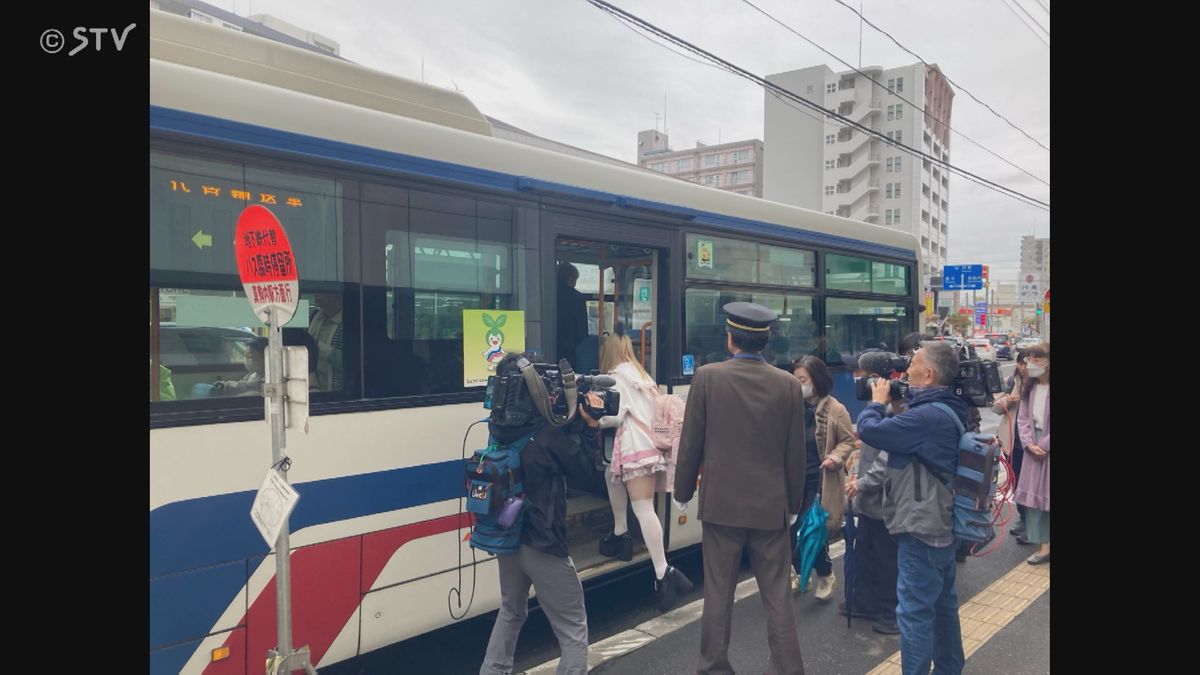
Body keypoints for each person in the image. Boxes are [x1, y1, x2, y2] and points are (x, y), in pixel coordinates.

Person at [674, 302, 808, 675]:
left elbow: (691, 442)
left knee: (718, 592)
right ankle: (787, 668)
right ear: (766, 341)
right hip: (770, 505)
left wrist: (682, 491)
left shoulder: (707, 377)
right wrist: (793, 502)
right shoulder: (789, 385)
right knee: (777, 593)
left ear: (730, 338)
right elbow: (794, 452)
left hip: (721, 504)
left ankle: (714, 666)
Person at [480, 352, 600, 675]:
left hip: (508, 535)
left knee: (511, 611)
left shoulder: (498, 428)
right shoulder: (546, 436)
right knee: (574, 629)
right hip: (543, 541)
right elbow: (587, 471)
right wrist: (591, 426)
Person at [857, 340, 966, 675]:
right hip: (940, 521)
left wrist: (877, 402)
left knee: (915, 613)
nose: (907, 368)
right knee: (943, 606)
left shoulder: (928, 417)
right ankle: (949, 668)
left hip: (922, 527)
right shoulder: (947, 407)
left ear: (929, 374)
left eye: (913, 363)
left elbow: (870, 431)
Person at [594, 330, 694, 610]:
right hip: (650, 447)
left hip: (636, 449)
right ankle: (620, 533)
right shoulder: (642, 375)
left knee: (644, 509)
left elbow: (616, 416)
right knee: (610, 475)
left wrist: (594, 420)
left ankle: (664, 573)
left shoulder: (615, 376)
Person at [788, 356, 856, 602]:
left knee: (811, 530)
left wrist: (835, 458)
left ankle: (826, 574)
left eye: (803, 380)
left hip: (819, 481)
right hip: (791, 480)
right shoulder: (789, 406)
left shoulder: (835, 410)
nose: (798, 385)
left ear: (816, 381)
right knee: (786, 532)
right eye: (794, 380)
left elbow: (849, 441)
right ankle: (795, 573)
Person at [1014, 343, 1050, 565]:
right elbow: (1023, 418)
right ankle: (1043, 545)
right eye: (1030, 359)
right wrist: (1028, 443)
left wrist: (1044, 445)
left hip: (1045, 446)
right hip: (1033, 448)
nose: (1031, 363)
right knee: (1033, 500)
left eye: (1037, 359)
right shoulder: (1030, 387)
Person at [992, 349, 1029, 539]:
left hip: (1032, 445)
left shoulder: (1040, 385)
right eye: (1021, 362)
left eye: (1028, 362)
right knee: (1016, 483)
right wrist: (1008, 400)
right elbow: (995, 408)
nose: (1023, 367)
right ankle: (1024, 519)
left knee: (1032, 485)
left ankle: (1033, 525)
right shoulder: (1012, 381)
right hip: (1012, 442)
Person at [308, 293, 344, 392]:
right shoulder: (313, 315)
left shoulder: (350, 322)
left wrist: (318, 347)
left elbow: (351, 364)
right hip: (312, 389)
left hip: (336, 394)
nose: (316, 293)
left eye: (323, 289)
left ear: (337, 294)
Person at [555, 263, 589, 367]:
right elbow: (581, 332)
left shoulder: (547, 294)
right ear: (570, 279)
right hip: (568, 352)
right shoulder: (577, 298)